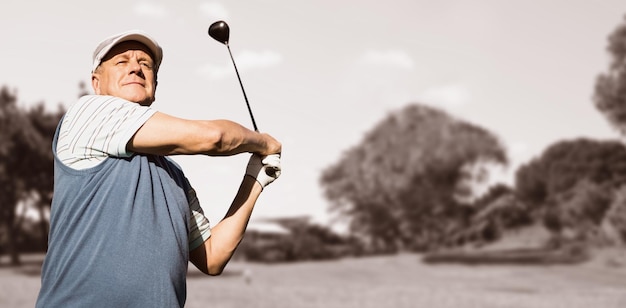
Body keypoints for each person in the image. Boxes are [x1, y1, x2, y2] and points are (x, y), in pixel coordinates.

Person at [35, 30, 282, 307]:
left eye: (145, 64)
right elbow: (215, 138)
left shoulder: (174, 175)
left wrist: (255, 179)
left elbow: (212, 257)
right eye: (122, 61)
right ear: (97, 83)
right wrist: (264, 142)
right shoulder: (87, 114)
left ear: (154, 84)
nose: (135, 68)